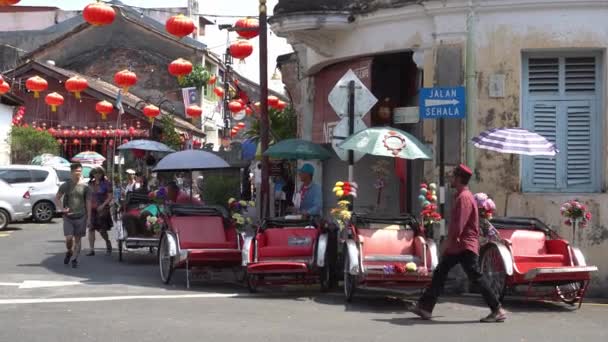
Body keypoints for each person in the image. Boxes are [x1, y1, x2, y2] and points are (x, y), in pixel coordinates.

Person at [410, 164, 507, 323]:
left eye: (453, 176)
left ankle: (497, 309)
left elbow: (458, 226)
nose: (451, 179)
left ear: (459, 178)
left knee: (475, 277)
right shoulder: (463, 196)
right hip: (459, 245)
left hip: (463, 246)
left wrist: (445, 245)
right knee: (440, 273)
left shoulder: (464, 198)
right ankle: (425, 307)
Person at [55, 163, 91, 268]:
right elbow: (57, 198)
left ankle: (74, 259)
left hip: (81, 216)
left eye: (80, 171)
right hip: (68, 217)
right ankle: (69, 251)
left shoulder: (85, 187)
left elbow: (88, 202)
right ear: (71, 172)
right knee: (69, 238)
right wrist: (62, 209)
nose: (78, 173)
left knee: (78, 240)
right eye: (76, 171)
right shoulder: (66, 185)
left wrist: (89, 218)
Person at [86, 167, 113, 256]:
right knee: (91, 228)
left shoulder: (106, 184)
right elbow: (88, 198)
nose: (97, 175)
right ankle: (91, 249)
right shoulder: (90, 184)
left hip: (103, 209)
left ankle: (107, 242)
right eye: (95, 173)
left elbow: (110, 197)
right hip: (92, 209)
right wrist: (88, 212)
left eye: (99, 173)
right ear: (92, 174)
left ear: (102, 174)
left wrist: (102, 205)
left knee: (102, 230)